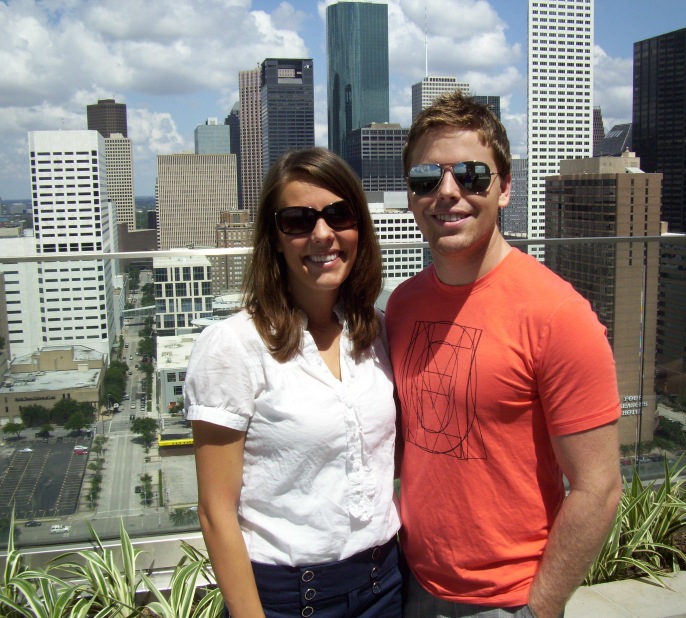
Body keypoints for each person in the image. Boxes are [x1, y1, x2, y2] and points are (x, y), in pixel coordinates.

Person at [386, 91, 622, 618]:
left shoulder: (558, 314)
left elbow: (599, 486)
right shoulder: (402, 306)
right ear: (411, 194)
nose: (448, 192)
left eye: (472, 175)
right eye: (426, 178)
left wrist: (540, 608)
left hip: (510, 600)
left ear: (506, 188)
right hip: (411, 583)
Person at [185, 148, 402, 618]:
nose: (322, 234)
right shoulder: (232, 346)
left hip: (385, 584)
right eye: (298, 221)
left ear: (360, 228)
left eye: (339, 215)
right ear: (275, 239)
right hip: (290, 599)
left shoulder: (377, 331)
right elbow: (216, 512)